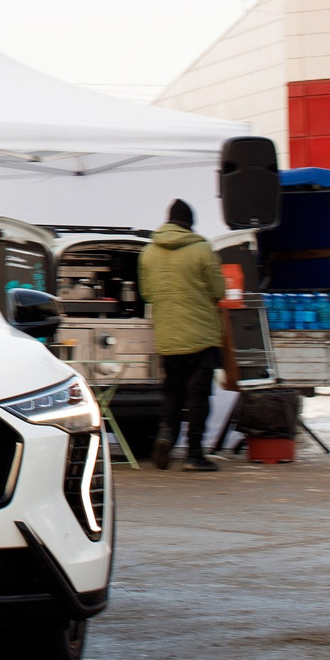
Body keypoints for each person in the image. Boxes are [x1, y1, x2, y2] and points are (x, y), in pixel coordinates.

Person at [137, 198, 237, 471]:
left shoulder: (148, 253)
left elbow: (146, 294)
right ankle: (194, 454)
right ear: (190, 223)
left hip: (168, 335)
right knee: (199, 395)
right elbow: (218, 291)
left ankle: (166, 435)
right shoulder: (203, 249)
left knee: (172, 392)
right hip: (201, 336)